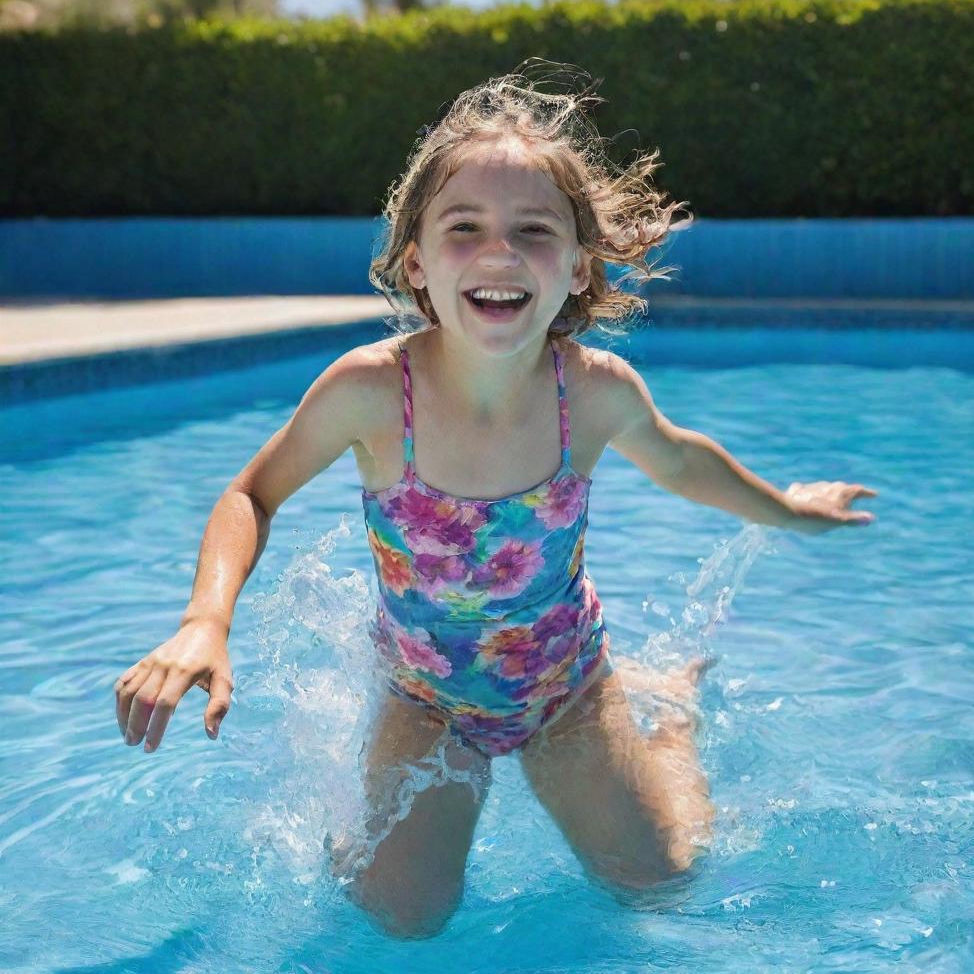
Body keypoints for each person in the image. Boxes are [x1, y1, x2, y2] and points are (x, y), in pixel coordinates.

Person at [113, 61, 878, 939]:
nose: (499, 254)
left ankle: (668, 712)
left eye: (534, 231)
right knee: (401, 919)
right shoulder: (372, 393)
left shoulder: (589, 393)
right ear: (418, 261)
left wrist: (787, 509)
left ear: (579, 266)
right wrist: (207, 618)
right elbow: (251, 492)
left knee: (660, 882)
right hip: (425, 700)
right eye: (465, 227)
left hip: (567, 685)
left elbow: (678, 462)